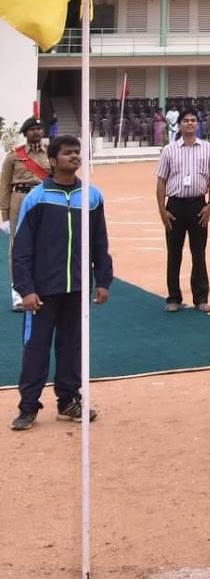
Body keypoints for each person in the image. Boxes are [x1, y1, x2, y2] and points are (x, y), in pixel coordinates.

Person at [10, 135, 113, 430]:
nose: (75, 157)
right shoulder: (37, 198)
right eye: (68, 153)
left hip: (77, 289)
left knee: (72, 348)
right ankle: (28, 406)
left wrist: (102, 279)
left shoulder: (92, 197)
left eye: (78, 152)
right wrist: (26, 289)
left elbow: (99, 242)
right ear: (53, 160)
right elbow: (22, 248)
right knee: (36, 348)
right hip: (42, 291)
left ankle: (68, 401)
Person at [156, 107, 210, 313]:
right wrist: (162, 211)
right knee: (173, 254)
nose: (190, 123)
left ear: (198, 124)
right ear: (179, 125)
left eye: (193, 120)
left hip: (199, 206)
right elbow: (161, 181)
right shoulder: (169, 150)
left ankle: (201, 298)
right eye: (186, 120)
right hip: (174, 206)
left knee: (199, 253)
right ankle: (173, 297)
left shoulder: (208, 149)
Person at [1, 118, 50, 311]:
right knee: (18, 246)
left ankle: (40, 289)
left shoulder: (51, 153)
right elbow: (4, 185)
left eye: (39, 128)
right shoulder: (14, 156)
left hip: (43, 200)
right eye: (32, 129)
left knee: (44, 244)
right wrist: (4, 216)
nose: (36, 132)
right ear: (25, 133)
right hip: (19, 200)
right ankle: (18, 293)